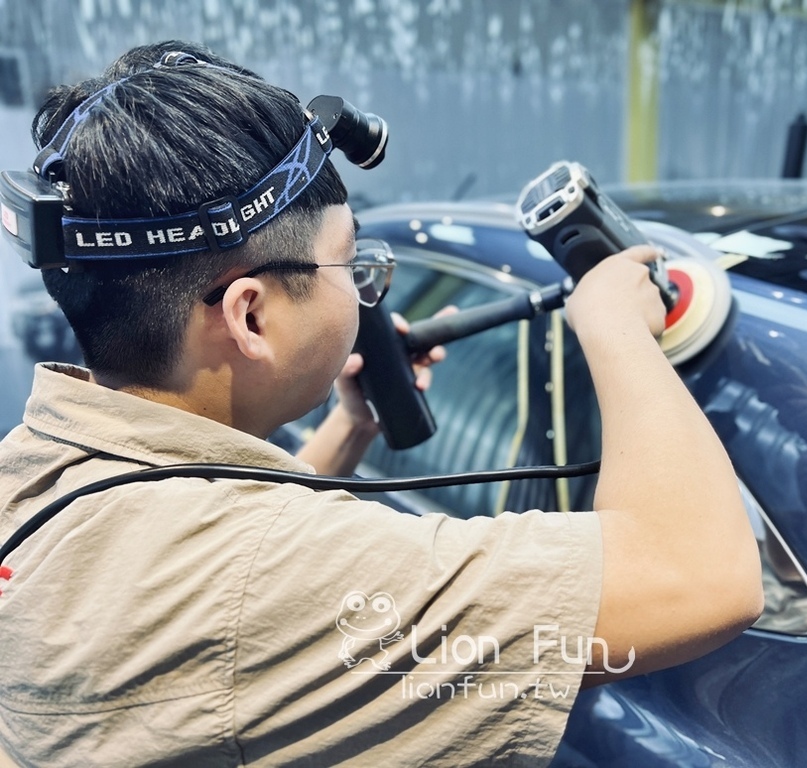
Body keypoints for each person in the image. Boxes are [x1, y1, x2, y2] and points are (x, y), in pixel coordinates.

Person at [0, 41, 762, 767]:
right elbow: (700, 575)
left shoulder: (30, 472)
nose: (361, 287)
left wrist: (347, 428)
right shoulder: (284, 576)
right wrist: (615, 329)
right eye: (347, 261)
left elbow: (222, 576)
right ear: (251, 316)